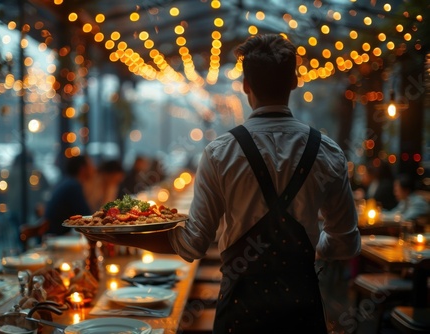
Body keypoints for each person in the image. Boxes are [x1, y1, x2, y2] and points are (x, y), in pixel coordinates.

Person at [89, 34, 360, 333]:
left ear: (246, 85)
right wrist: (308, 248)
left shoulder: (221, 152)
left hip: (242, 312)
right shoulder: (328, 151)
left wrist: (116, 236)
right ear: (295, 81)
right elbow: (346, 243)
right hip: (302, 312)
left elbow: (192, 245)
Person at [43, 154, 95, 235]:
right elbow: (87, 216)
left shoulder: (68, 182)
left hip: (54, 233)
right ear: (82, 169)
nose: (94, 168)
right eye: (91, 165)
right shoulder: (73, 186)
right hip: (57, 237)